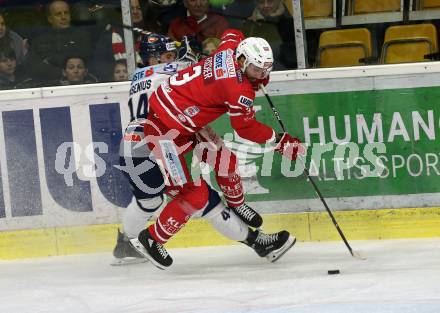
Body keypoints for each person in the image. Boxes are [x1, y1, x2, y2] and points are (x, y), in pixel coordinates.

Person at [113, 32, 296, 266]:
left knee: (221, 165)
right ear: (152, 59)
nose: (172, 58)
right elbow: (241, 119)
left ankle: (243, 216)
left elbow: (221, 53)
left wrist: (208, 58)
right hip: (159, 137)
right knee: (194, 198)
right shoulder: (174, 69)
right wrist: (197, 54)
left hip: (166, 130)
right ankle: (142, 240)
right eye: (167, 55)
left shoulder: (139, 75)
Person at [28, 0, 94, 85]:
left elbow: (86, 60)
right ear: (50, 19)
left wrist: (51, 60)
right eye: (58, 14)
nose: (63, 17)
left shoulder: (83, 36)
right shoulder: (39, 41)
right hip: (48, 87)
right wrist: (63, 72)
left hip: (80, 85)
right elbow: (36, 68)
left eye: (66, 13)